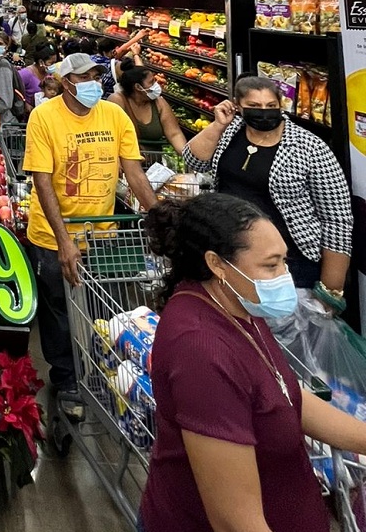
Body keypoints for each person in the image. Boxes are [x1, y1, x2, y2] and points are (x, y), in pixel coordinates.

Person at [140, 193, 366, 532]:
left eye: (283, 260)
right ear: (217, 264)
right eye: (271, 265)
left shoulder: (239, 307)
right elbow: (237, 526)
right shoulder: (200, 350)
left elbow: (287, 395)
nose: (285, 276)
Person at [22, 52, 157, 418]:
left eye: (98, 75)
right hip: (52, 235)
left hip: (102, 233)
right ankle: (66, 378)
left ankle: (99, 371)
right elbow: (42, 180)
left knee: (102, 309)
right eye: (85, 77)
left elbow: (134, 172)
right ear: (67, 82)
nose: (94, 83)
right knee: (58, 310)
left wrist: (161, 217)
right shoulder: (44, 117)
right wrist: (64, 240)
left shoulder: (115, 116)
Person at [183, 74, 351, 293]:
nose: (263, 111)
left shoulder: (309, 147)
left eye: (271, 105)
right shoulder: (230, 132)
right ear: (237, 106)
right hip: (231, 255)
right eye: (254, 105)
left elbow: (337, 219)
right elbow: (194, 159)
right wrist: (218, 125)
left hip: (289, 263)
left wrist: (331, 290)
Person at [108, 58, 187, 156]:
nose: (156, 85)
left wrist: (186, 155)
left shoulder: (159, 103)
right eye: (152, 82)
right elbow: (113, 136)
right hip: (128, 160)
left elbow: (174, 134)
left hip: (154, 163)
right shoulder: (118, 101)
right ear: (138, 87)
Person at [18, 42, 59, 112]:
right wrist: (25, 103)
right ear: (41, 62)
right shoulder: (25, 74)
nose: (53, 66)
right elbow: (14, 90)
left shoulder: (49, 74)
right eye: (51, 63)